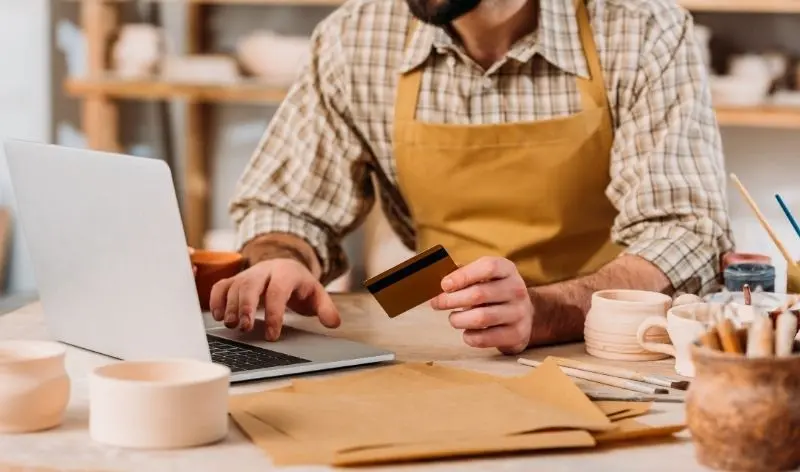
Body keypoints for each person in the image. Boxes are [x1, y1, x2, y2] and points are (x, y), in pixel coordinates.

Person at [210, 0, 734, 355]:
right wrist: (280, 260)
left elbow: (687, 231)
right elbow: (286, 208)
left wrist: (544, 312)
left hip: (600, 339)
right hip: (433, 322)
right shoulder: (356, 35)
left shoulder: (640, 27)